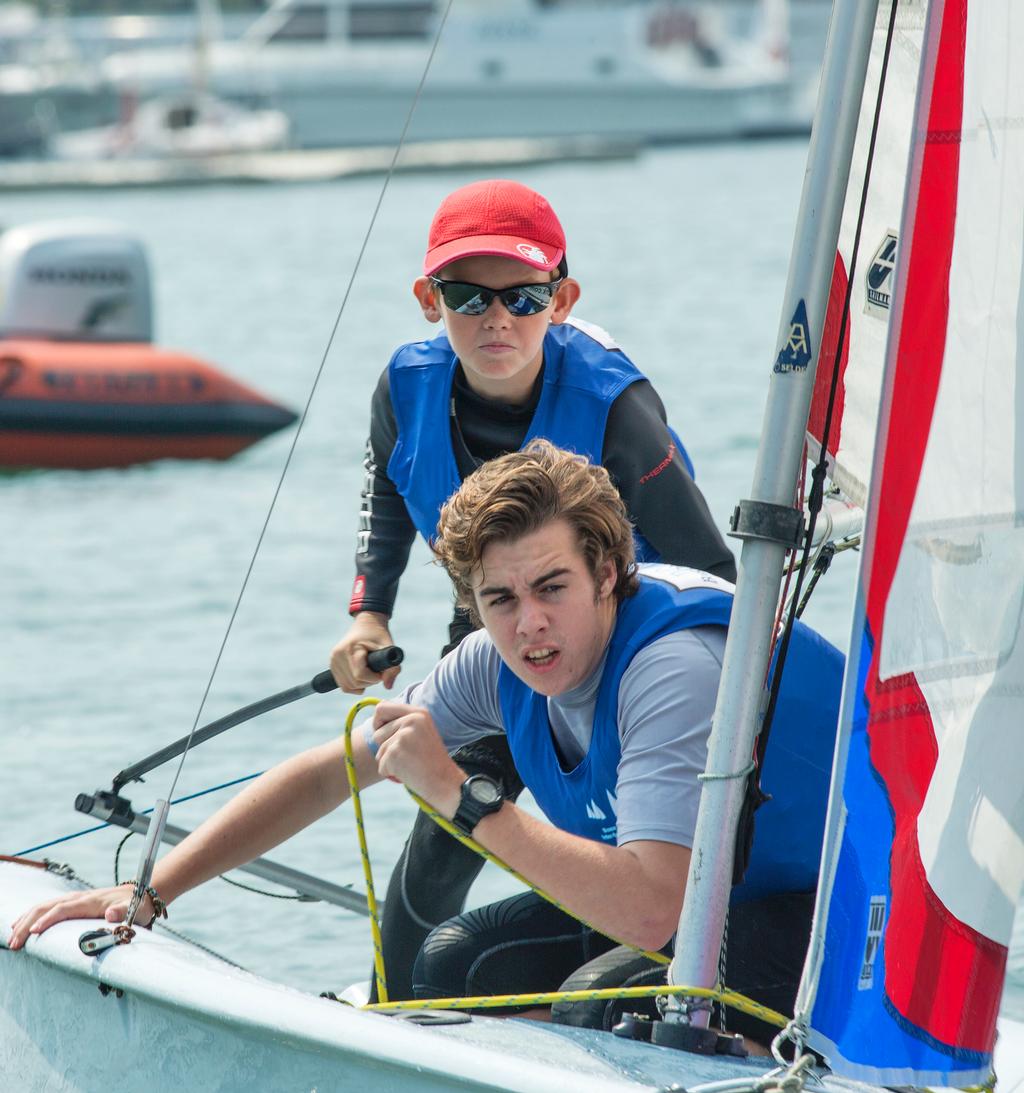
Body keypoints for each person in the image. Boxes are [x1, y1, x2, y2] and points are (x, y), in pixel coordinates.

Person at [10, 442, 842, 1049]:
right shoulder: (495, 660)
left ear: (607, 569)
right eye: (500, 598)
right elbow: (325, 775)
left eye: (552, 587)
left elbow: (651, 907)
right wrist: (150, 892)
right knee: (454, 965)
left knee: (602, 1001)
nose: (530, 623)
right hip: (707, 910)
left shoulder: (671, 669)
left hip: (839, 918)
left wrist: (463, 798)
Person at [329, 177, 737, 997]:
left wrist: (644, 687)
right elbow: (388, 496)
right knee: (442, 831)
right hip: (494, 633)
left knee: (615, 848)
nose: (496, 319)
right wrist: (369, 614)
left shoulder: (615, 410)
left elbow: (720, 577)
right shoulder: (402, 388)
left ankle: (625, 957)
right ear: (427, 298)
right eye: (465, 295)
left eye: (523, 296)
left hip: (630, 654)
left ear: (562, 299)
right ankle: (386, 1013)